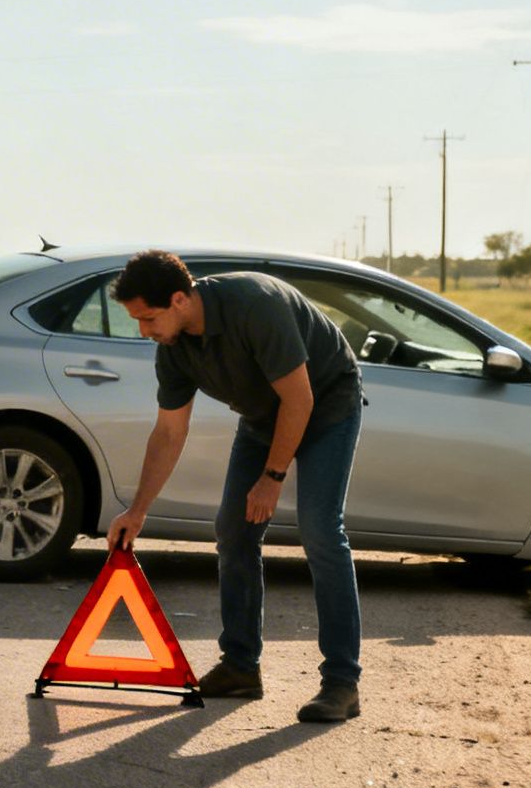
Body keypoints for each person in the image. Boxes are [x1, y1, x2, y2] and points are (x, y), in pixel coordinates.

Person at [107, 250, 366, 723]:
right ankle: (241, 666)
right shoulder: (175, 346)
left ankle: (341, 683)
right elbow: (169, 432)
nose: (143, 331)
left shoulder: (254, 305)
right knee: (232, 528)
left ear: (180, 299)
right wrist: (137, 510)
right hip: (264, 418)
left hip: (327, 405)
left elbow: (300, 398)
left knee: (321, 530)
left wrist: (271, 478)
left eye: (147, 318)